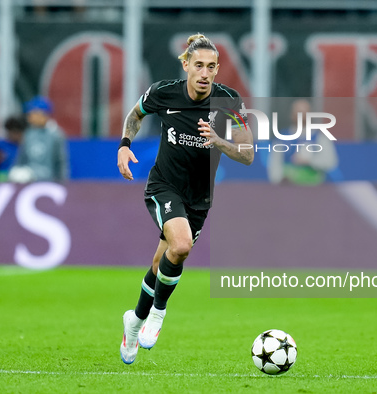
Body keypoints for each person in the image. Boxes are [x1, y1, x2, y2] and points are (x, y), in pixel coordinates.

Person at [117, 33, 253, 364]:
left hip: (199, 198)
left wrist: (219, 141)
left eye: (211, 67)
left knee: (162, 262)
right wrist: (124, 145)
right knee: (181, 246)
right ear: (186, 65)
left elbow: (248, 154)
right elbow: (135, 115)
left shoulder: (229, 102)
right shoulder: (165, 92)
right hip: (164, 186)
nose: (204, 73)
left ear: (217, 69)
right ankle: (158, 314)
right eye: (198, 66)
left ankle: (134, 321)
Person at [267, 99, 340, 185]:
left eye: (304, 112)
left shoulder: (320, 138)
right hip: (288, 189)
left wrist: (309, 161)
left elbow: (331, 162)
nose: (301, 116)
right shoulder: (282, 138)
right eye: (297, 112)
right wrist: (278, 180)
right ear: (291, 115)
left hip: (313, 189)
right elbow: (274, 164)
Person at [9, 96, 69, 183]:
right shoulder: (29, 133)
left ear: (43, 114)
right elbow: (21, 158)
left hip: (47, 179)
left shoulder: (56, 135)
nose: (29, 116)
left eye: (32, 113)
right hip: (27, 179)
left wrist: (62, 182)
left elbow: (61, 161)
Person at [0, 115, 27, 182]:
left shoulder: (26, 147)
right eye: (11, 132)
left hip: (22, 178)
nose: (14, 135)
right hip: (3, 178)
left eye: (17, 132)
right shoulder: (0, 147)